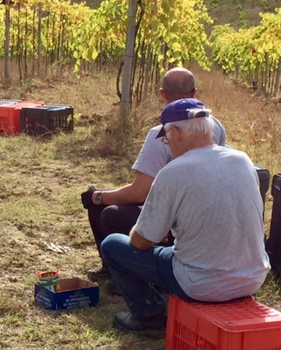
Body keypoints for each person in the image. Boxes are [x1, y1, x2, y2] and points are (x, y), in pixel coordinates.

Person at [100, 99, 270, 334]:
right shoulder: (243, 160)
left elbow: (141, 241)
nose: (169, 145)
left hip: (199, 284)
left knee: (112, 245)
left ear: (177, 132)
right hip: (252, 278)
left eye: (167, 139)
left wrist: (141, 230)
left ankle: (148, 316)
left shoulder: (173, 172)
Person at [81, 68, 227, 293]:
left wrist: (97, 196)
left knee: (106, 211)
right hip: (210, 230)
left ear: (162, 95)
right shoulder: (214, 127)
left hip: (180, 237)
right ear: (195, 92)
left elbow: (140, 193)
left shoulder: (162, 136)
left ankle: (124, 275)